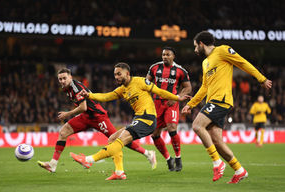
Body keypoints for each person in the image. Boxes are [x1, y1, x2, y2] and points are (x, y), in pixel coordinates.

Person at [70, 62, 191, 180]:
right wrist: (89, 95)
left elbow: (159, 91)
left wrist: (177, 98)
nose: (116, 77)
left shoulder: (140, 81)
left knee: (119, 141)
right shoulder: (122, 89)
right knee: (112, 139)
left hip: (147, 119)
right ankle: (119, 172)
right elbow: (106, 96)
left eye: (119, 74)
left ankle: (88, 160)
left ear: (127, 73)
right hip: (138, 119)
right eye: (115, 74)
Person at [182, 31, 272, 184]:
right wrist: (190, 104)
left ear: (201, 44)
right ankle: (239, 170)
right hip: (212, 102)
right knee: (217, 141)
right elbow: (204, 87)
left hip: (220, 100)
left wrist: (261, 78)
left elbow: (242, 62)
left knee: (197, 125)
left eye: (195, 46)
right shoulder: (205, 63)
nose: (195, 49)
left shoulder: (223, 50)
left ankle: (217, 163)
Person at [37, 68, 157, 173]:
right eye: (60, 79)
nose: (62, 81)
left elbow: (83, 107)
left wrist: (67, 114)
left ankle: (148, 153)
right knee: (63, 132)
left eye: (64, 78)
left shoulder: (75, 87)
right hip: (86, 117)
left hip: (98, 117)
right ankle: (52, 164)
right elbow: (84, 109)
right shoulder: (66, 88)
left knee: (119, 139)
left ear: (70, 77)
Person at [146, 47, 192, 171]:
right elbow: (146, 84)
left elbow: (187, 88)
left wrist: (176, 97)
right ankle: (168, 158)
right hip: (156, 104)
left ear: (173, 56)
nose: (165, 57)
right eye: (163, 55)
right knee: (155, 134)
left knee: (172, 128)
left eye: (167, 54)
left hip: (171, 103)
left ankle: (178, 158)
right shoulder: (154, 68)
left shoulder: (180, 70)